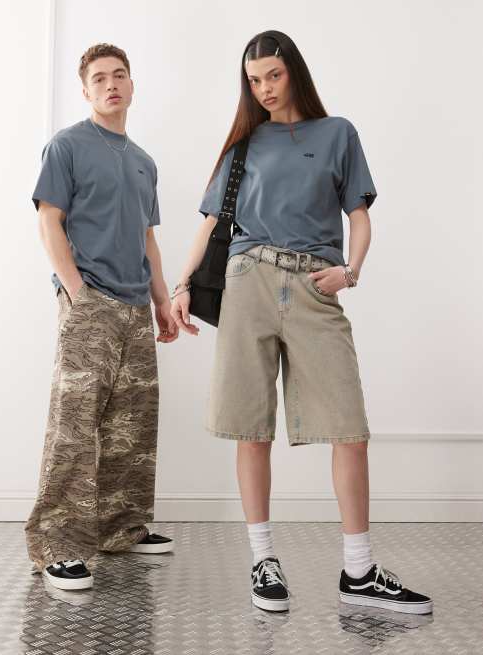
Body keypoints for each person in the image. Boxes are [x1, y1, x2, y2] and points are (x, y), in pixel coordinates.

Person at [171, 30, 433, 615]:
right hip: (248, 281)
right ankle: (263, 561)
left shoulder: (337, 133)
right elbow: (211, 223)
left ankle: (358, 570)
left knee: (349, 428)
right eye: (254, 80)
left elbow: (358, 215)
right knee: (251, 428)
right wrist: (182, 285)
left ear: (294, 72)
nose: (264, 88)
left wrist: (352, 271)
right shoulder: (244, 144)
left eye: (274, 75)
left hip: (315, 285)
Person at [25, 43, 178, 591]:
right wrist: (77, 292)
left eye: (119, 75)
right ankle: (58, 546)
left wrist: (161, 302)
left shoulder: (144, 162)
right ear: (86, 89)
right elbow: (49, 220)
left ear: (131, 85)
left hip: (136, 307)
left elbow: (147, 239)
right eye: (99, 78)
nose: (111, 84)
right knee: (75, 427)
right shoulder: (66, 146)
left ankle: (120, 528)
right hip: (89, 301)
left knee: (131, 425)